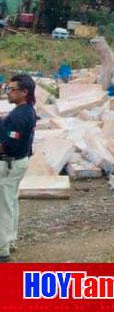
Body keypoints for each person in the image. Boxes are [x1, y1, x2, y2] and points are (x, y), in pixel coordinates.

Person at [0, 74, 37, 262]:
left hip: (8, 163)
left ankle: (2, 249)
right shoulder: (26, 110)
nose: (7, 93)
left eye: (11, 90)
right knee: (11, 202)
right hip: (17, 163)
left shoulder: (20, 116)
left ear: (24, 92)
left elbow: (9, 145)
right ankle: (10, 240)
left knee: (3, 206)